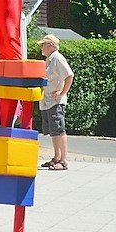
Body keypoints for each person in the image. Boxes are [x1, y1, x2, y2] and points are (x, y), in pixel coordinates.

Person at [39, 34, 74, 171]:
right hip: (47, 100)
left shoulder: (58, 58)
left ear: (51, 46)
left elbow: (69, 75)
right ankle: (56, 157)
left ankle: (63, 160)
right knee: (53, 130)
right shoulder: (49, 59)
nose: (42, 47)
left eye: (44, 44)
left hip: (55, 101)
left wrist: (63, 92)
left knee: (59, 129)